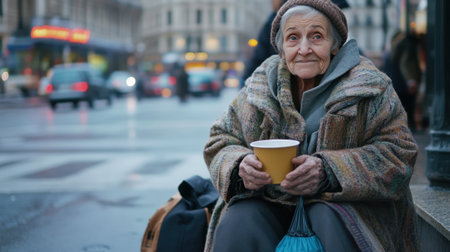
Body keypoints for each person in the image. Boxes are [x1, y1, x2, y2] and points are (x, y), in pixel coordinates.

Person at [203, 0, 419, 251]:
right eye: (293, 38)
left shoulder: (371, 88)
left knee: (325, 217)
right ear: (281, 49)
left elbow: (399, 155)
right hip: (269, 204)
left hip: (347, 209)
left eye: (316, 36)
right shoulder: (258, 89)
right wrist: (240, 167)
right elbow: (220, 141)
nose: (304, 48)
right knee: (240, 220)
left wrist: (329, 171)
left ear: (335, 45)